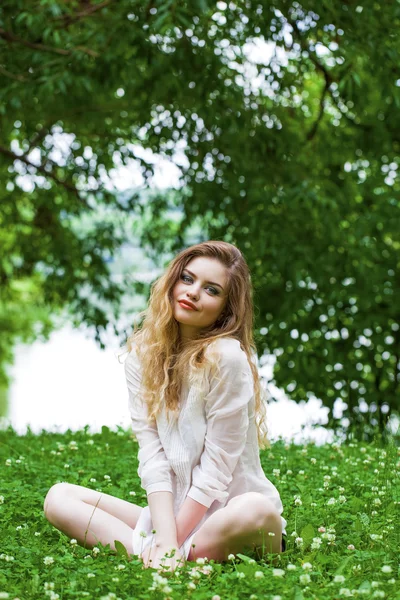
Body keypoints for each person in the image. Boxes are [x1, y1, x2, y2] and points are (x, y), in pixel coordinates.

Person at [43, 240, 287, 572]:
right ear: (172, 281)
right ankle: (169, 553)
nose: (193, 292)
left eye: (211, 290)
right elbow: (152, 454)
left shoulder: (226, 358)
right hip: (171, 520)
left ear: (226, 309)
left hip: (231, 515)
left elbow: (216, 468)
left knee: (258, 511)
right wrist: (165, 534)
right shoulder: (143, 354)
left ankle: (160, 552)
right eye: (187, 279)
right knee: (59, 497)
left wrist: (168, 540)